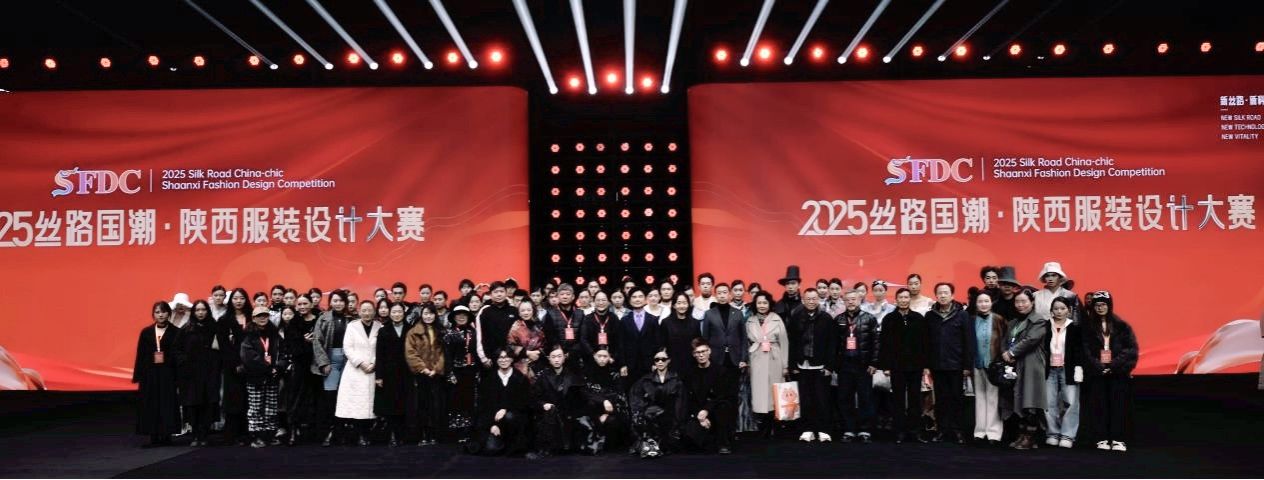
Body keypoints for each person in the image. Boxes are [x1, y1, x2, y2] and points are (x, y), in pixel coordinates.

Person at [1081, 291, 1138, 452]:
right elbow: (1085, 351)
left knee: (1118, 406)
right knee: (1099, 406)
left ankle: (1118, 439)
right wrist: (1099, 367)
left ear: (1109, 305)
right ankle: (1101, 438)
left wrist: (1113, 365)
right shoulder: (1088, 328)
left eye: (1103, 304)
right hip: (1097, 374)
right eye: (1097, 305)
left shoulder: (1122, 326)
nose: (1100, 308)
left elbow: (1131, 350)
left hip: (1117, 374)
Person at [880, 288, 931, 444]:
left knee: (915, 399)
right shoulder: (889, 319)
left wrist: (926, 365)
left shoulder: (918, 318)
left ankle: (915, 432)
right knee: (898, 400)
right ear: (896, 300)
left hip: (916, 366)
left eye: (906, 297)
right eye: (900, 297)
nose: (903, 300)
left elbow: (925, 343)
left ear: (910, 299)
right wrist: (886, 366)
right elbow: (884, 344)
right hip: (896, 366)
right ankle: (899, 432)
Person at [1001, 289, 1049, 450]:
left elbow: (1031, 339)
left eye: (1024, 301)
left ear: (1032, 302)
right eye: (1017, 301)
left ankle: (1030, 437)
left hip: (1032, 365)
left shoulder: (1039, 320)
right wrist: (1004, 352)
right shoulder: (1013, 322)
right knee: (1019, 401)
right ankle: (1022, 435)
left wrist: (1011, 352)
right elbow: (1005, 340)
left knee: (1031, 401)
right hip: (1016, 365)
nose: (1020, 305)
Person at [925, 282, 973, 444]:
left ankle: (958, 431)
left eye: (946, 292)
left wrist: (967, 366)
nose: (943, 295)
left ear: (952, 295)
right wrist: (927, 364)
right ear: (936, 296)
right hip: (937, 364)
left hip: (956, 364)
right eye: (940, 293)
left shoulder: (962, 315)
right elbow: (926, 342)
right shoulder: (930, 316)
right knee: (941, 399)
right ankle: (941, 430)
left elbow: (968, 341)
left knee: (956, 399)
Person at [788, 288, 838, 443]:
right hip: (802, 365)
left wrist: (829, 366)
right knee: (805, 399)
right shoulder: (796, 317)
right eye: (808, 299)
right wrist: (792, 364)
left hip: (821, 366)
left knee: (822, 399)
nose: (811, 301)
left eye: (814, 299)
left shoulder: (826, 318)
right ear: (803, 300)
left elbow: (832, 344)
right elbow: (792, 342)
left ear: (818, 300)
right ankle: (807, 429)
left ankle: (823, 430)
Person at [134, 301, 182, 447]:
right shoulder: (146, 332)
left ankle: (167, 435)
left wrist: (179, 377)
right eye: (157, 312)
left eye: (163, 312)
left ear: (169, 313)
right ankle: (153, 436)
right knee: (151, 404)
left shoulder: (176, 332)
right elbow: (141, 354)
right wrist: (139, 375)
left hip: (168, 373)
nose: (161, 315)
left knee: (168, 404)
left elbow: (179, 355)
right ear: (153, 315)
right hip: (150, 373)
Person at [835, 290, 879, 443]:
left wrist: (874, 363)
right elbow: (834, 344)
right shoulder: (839, 319)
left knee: (865, 398)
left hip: (863, 365)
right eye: (848, 300)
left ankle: (864, 430)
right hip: (845, 365)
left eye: (854, 299)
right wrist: (835, 364)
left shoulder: (869, 318)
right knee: (844, 398)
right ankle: (849, 429)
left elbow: (876, 342)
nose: (851, 302)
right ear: (844, 302)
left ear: (860, 300)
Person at [469, 348, 531, 456]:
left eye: (506, 357)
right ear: (496, 360)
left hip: (514, 424)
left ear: (512, 359)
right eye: (500, 357)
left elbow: (525, 403)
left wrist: (505, 409)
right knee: (491, 449)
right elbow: (483, 406)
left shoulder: (521, 379)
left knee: (509, 416)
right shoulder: (489, 380)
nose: (503, 360)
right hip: (494, 423)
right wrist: (492, 425)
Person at [681, 339, 739, 454]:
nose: (701, 355)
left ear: (709, 351)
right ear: (694, 354)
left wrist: (706, 410)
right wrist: (699, 415)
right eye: (698, 352)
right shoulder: (690, 373)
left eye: (703, 351)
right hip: (698, 413)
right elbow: (688, 398)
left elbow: (722, 395)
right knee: (690, 442)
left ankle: (723, 444)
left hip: (715, 409)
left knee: (723, 407)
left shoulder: (721, 371)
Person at [336, 301, 381, 447]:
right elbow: (347, 348)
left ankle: (367, 435)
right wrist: (361, 363)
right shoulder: (352, 326)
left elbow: (382, 348)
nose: (367, 313)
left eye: (369, 310)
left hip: (373, 369)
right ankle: (357, 435)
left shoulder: (379, 326)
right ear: (359, 311)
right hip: (355, 370)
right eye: (364, 310)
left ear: (374, 312)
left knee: (370, 404)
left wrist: (374, 363)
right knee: (356, 403)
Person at [528, 345, 585, 459]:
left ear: (564, 357)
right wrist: (543, 404)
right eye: (553, 357)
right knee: (549, 413)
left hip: (568, 415)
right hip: (549, 414)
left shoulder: (572, 376)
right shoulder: (542, 377)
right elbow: (533, 398)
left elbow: (580, 399)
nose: (556, 359)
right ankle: (545, 449)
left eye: (559, 356)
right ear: (549, 359)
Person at [745, 291, 788, 439]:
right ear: (755, 304)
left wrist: (785, 365)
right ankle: (763, 425)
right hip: (756, 358)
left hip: (774, 358)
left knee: (774, 392)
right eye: (759, 303)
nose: (762, 305)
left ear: (770, 304)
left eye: (765, 302)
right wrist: (747, 362)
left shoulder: (777, 319)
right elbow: (747, 342)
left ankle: (775, 425)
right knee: (759, 393)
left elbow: (784, 343)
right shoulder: (750, 321)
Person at [177, 300, 220, 447]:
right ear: (193, 312)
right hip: (192, 374)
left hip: (210, 372)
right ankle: (195, 434)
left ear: (208, 311)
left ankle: (204, 434)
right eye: (197, 310)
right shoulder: (186, 328)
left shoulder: (214, 327)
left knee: (208, 403)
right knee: (193, 404)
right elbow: (176, 350)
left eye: (203, 310)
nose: (200, 313)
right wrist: (184, 362)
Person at [629, 348, 686, 458]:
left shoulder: (676, 380)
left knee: (670, 443)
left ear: (668, 361)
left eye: (663, 359)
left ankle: (653, 445)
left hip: (669, 420)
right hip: (649, 417)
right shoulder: (645, 380)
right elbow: (635, 396)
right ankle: (648, 444)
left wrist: (677, 422)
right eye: (657, 359)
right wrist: (642, 410)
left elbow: (680, 403)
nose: (660, 362)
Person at [241, 306, 286, 448]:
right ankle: (257, 436)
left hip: (273, 377)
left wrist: (278, 367)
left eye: (265, 315)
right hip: (256, 377)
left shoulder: (275, 335)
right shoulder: (248, 336)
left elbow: (283, 353)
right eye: (259, 316)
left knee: (271, 407)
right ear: (253, 318)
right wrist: (267, 368)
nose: (262, 318)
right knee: (256, 408)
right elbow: (248, 357)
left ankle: (270, 435)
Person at [1043, 296, 1085, 448]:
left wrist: (1079, 368)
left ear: (1069, 310)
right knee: (1049, 403)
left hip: (1068, 368)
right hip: (1049, 368)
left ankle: (1068, 435)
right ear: (1051, 311)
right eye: (1056, 309)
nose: (1059, 311)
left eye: (1062, 308)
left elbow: (1080, 350)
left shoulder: (1075, 327)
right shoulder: (1045, 326)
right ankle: (1052, 433)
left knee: (1071, 402)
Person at [966, 288, 1006, 445]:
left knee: (993, 397)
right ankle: (980, 431)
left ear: (991, 303)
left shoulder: (998, 319)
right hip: (976, 364)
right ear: (976, 304)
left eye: (986, 301)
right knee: (980, 397)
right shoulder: (971, 320)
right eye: (980, 301)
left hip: (994, 365)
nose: (983, 304)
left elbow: (1004, 340)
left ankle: (993, 433)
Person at [311, 290, 350, 447]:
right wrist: (323, 363)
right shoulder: (323, 318)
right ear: (330, 302)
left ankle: (343, 432)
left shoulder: (351, 319)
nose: (338, 303)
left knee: (345, 397)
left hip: (349, 361)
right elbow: (316, 341)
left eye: (341, 300)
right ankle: (329, 431)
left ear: (345, 302)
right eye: (335, 300)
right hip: (330, 361)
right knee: (330, 397)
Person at [405, 303, 446, 446]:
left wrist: (436, 369)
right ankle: (422, 435)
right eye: (426, 313)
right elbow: (410, 353)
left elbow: (444, 353)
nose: (428, 316)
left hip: (436, 374)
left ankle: (434, 435)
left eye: (431, 313)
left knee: (436, 406)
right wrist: (423, 369)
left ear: (435, 315)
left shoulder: (441, 331)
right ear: (421, 315)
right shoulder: (413, 332)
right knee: (421, 406)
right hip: (420, 375)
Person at [578, 348, 630, 455]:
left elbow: (619, 394)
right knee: (589, 407)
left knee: (612, 422)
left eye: (605, 356)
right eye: (599, 356)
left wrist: (606, 413)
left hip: (610, 410)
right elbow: (584, 392)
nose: (602, 359)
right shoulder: (587, 372)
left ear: (609, 357)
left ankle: (604, 444)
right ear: (594, 357)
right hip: (591, 412)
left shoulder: (614, 373)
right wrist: (603, 401)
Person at [217, 288, 251, 445]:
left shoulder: (252, 317)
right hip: (232, 366)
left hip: (251, 365)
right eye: (235, 298)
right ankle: (232, 434)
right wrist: (235, 364)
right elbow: (223, 346)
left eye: (242, 298)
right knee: (233, 399)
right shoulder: (224, 320)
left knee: (248, 399)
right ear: (230, 301)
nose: (238, 301)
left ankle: (247, 432)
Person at [285, 295, 320, 445]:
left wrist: (314, 342)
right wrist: (304, 341)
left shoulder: (320, 320)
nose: (302, 306)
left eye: (305, 303)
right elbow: (291, 347)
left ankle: (315, 432)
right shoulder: (293, 323)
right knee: (297, 398)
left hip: (318, 364)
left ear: (312, 304)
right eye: (299, 304)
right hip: (300, 365)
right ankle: (293, 430)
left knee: (316, 399)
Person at [374, 303, 411, 447]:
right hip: (388, 373)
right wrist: (379, 376)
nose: (397, 314)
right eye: (394, 312)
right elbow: (379, 355)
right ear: (389, 313)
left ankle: (403, 435)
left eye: (399, 311)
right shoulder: (383, 330)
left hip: (406, 372)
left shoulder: (410, 329)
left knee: (404, 403)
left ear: (404, 312)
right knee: (390, 404)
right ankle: (392, 435)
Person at [443, 306, 479, 443]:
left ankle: (468, 431)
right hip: (456, 372)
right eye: (458, 315)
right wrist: (450, 373)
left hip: (471, 371)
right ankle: (455, 433)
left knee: (469, 401)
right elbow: (446, 356)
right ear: (453, 317)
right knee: (455, 401)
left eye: (464, 315)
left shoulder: (474, 333)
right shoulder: (449, 334)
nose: (461, 317)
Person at [703, 283, 748, 372]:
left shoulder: (738, 313)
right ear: (715, 295)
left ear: (729, 294)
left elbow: (743, 338)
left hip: (735, 358)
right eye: (719, 293)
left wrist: (743, 358)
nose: (722, 296)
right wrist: (707, 357)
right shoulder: (709, 314)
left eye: (724, 292)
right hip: (715, 357)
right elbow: (705, 338)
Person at [622, 288, 661, 384]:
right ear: (629, 300)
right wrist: (623, 364)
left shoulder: (653, 320)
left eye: (640, 296)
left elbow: (657, 343)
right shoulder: (624, 320)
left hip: (649, 365)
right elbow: (621, 344)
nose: (637, 299)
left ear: (645, 299)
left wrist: (655, 362)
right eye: (634, 297)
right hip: (630, 365)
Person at [543, 284, 587, 370]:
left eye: (568, 294)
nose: (565, 296)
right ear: (558, 296)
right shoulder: (550, 313)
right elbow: (549, 336)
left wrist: (571, 352)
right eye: (562, 294)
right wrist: (560, 351)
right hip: (557, 356)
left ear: (573, 297)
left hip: (576, 356)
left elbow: (583, 337)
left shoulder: (580, 313)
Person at [659, 292, 702, 377]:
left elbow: (698, 345)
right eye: (679, 303)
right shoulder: (666, 323)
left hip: (691, 363)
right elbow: (662, 345)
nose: (682, 306)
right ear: (674, 305)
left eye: (684, 303)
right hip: (672, 364)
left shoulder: (695, 323)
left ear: (688, 305)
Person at [476, 281, 518, 367]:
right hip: (491, 358)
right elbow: (479, 336)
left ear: (506, 293)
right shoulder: (485, 312)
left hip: (512, 357)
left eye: (501, 291)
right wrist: (484, 358)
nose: (499, 294)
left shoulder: (514, 311)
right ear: (491, 294)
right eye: (495, 292)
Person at [581, 291, 623, 372]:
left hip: (610, 361)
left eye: (603, 300)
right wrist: (594, 354)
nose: (601, 303)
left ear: (608, 302)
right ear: (593, 302)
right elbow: (584, 339)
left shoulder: (614, 318)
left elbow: (619, 340)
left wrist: (613, 357)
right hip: (592, 360)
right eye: (598, 300)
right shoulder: (588, 318)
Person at [506, 301, 546, 380]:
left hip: (538, 361)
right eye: (523, 310)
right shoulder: (515, 327)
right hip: (520, 364)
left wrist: (539, 352)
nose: (526, 313)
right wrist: (527, 353)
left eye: (529, 310)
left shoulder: (539, 325)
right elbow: (509, 346)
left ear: (533, 311)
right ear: (519, 313)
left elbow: (547, 342)